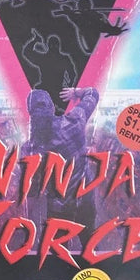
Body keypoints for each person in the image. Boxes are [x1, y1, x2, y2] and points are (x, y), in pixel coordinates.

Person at [23, 86, 99, 237]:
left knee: (59, 247)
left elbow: (32, 191)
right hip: (85, 200)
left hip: (58, 208)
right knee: (90, 241)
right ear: (51, 107)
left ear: (30, 113)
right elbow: (93, 94)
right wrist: (76, 92)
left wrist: (27, 218)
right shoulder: (74, 121)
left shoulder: (31, 149)